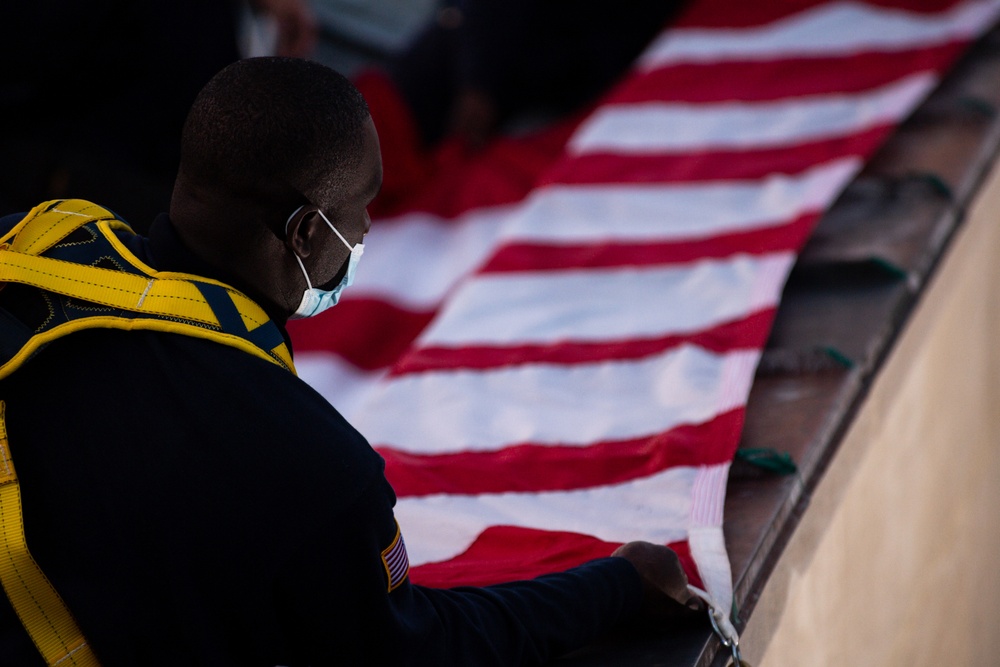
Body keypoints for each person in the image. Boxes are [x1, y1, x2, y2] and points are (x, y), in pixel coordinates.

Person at [0, 57, 694, 666]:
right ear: (305, 232)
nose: (365, 230)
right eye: (362, 207)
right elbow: (419, 648)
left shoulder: (41, 237)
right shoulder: (302, 462)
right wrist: (617, 585)